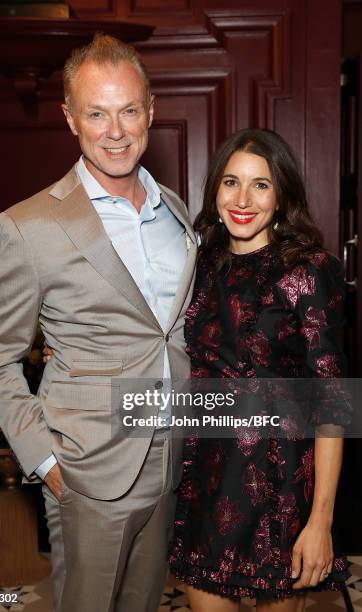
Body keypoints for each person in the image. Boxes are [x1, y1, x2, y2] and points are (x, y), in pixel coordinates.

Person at [0, 34, 197, 612]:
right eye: (96, 113)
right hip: (86, 470)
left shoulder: (174, 209)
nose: (115, 130)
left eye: (128, 110)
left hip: (170, 455)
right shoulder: (31, 226)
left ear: (150, 111)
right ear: (70, 119)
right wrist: (47, 463)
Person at [168, 128, 350, 611]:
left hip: (279, 488)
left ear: (282, 194)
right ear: (215, 191)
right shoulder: (201, 266)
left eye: (261, 185)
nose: (243, 199)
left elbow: (332, 405)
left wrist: (320, 523)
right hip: (203, 482)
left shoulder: (308, 271)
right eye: (231, 182)